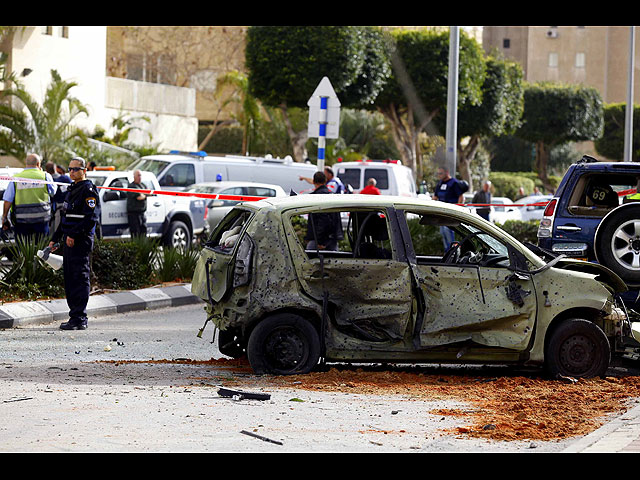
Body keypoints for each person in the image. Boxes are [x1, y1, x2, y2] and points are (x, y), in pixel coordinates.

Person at [48, 157, 101, 331]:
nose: (71, 172)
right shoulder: (72, 189)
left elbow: (90, 218)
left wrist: (73, 234)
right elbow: (65, 218)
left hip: (81, 240)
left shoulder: (88, 190)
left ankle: (80, 318)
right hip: (69, 240)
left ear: (84, 170)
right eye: (70, 169)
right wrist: (55, 238)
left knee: (80, 278)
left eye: (75, 169)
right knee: (70, 278)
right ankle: (74, 316)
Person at [2, 153, 55, 242]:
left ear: (26, 164)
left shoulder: (16, 178)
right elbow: (53, 193)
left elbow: (8, 200)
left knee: (23, 251)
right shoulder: (45, 176)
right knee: (40, 251)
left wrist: (4, 217)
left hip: (22, 222)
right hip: (41, 221)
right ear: (38, 164)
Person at [304, 171, 343, 251]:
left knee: (309, 260)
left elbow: (323, 219)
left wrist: (320, 241)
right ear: (325, 181)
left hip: (318, 239)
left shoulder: (314, 197)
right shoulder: (333, 196)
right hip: (332, 239)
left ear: (314, 182)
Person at [434, 166, 466, 250]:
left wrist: (458, 208)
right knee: (443, 233)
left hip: (450, 213)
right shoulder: (440, 183)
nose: (439, 175)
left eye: (441, 173)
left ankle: (452, 252)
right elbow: (435, 197)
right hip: (441, 213)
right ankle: (447, 252)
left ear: (447, 173)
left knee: (448, 231)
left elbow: (461, 196)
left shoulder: (454, 183)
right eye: (438, 173)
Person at [126, 170, 147, 238]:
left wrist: (144, 195)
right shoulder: (132, 186)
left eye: (140, 175)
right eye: (138, 175)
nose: (140, 177)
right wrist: (145, 195)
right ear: (134, 177)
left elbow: (149, 192)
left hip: (142, 213)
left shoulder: (142, 185)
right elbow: (139, 197)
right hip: (134, 214)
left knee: (143, 232)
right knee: (135, 233)